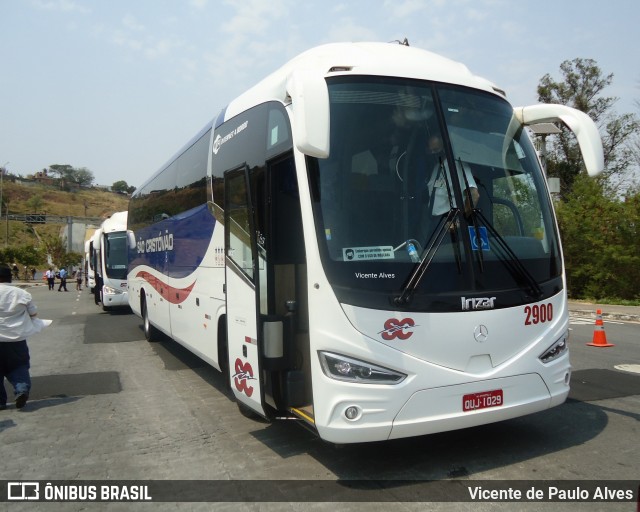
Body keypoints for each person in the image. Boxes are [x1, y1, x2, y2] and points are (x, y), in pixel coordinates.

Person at [0, 265, 49, 410]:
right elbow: (33, 314)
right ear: (10, 277)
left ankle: (1, 402)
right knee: (19, 365)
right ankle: (21, 389)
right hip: (16, 339)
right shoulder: (21, 293)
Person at [424, 135, 479, 217]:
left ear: (444, 148)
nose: (433, 153)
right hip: (433, 222)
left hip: (448, 221)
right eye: (430, 150)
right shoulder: (436, 167)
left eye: (435, 150)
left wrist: (460, 221)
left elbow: (473, 194)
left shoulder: (456, 165)